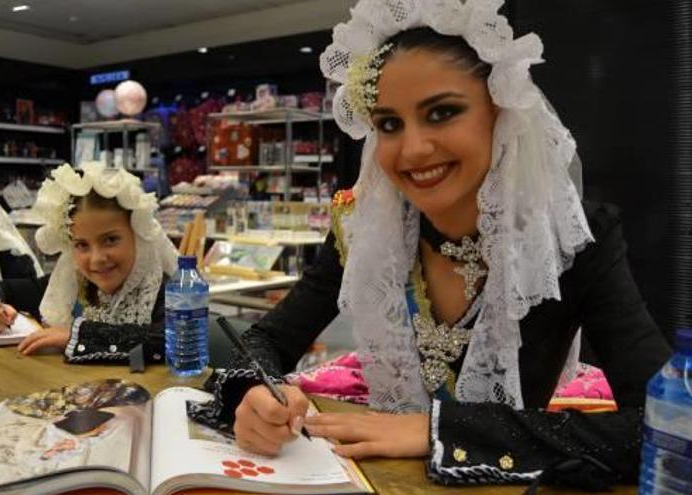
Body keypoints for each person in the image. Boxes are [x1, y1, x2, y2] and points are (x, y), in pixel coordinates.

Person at [193, 0, 672, 490]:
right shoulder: (367, 228)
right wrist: (253, 394)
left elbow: (669, 425)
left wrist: (439, 431)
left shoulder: (567, 238)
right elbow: (263, 340)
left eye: (442, 113)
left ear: (501, 112)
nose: (413, 148)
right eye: (389, 124)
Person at [0, 163, 177, 364]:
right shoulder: (71, 281)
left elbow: (167, 340)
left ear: (138, 235)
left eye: (111, 240)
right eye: (82, 245)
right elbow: (1, 289)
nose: (97, 259)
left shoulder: (165, 291)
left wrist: (77, 336)